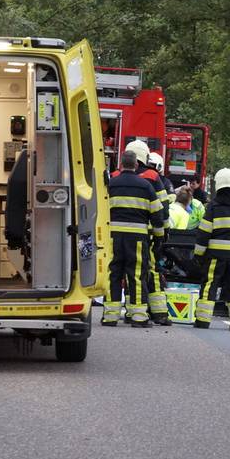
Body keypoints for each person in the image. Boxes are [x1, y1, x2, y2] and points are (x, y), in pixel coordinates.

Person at [102, 150, 164, 327]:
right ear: (136, 165)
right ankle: (138, 316)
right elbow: (157, 215)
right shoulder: (145, 186)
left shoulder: (111, 184)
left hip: (113, 236)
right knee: (136, 275)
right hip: (137, 238)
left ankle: (110, 316)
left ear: (121, 165)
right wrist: (158, 237)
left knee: (113, 273)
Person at [114, 140, 170, 326]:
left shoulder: (114, 177)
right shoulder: (152, 177)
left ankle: (120, 313)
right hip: (144, 235)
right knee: (144, 272)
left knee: (115, 272)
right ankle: (156, 313)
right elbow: (162, 209)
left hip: (114, 235)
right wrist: (162, 234)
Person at [193, 168, 230, 331]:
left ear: (217, 185)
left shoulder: (212, 207)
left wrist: (198, 254)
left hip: (215, 256)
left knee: (210, 285)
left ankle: (203, 320)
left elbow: (203, 233)